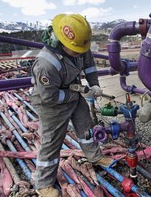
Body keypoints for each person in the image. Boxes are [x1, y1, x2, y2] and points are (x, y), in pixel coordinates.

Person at [31, 13, 114, 197]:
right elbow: (49, 97)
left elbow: (90, 65)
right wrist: (76, 92)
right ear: (63, 43)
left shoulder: (79, 45)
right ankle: (43, 184)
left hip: (73, 94)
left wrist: (94, 85)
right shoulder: (46, 64)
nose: (80, 52)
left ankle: (95, 156)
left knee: (86, 128)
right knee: (51, 142)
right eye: (76, 49)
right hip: (51, 104)